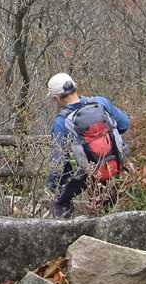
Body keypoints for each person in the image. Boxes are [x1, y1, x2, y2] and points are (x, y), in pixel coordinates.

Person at [45, 72, 131, 218]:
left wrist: (52, 188)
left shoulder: (61, 121)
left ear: (56, 98)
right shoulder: (100, 102)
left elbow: (58, 164)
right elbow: (124, 124)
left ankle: (66, 223)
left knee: (60, 201)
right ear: (75, 86)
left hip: (90, 174)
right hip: (118, 163)